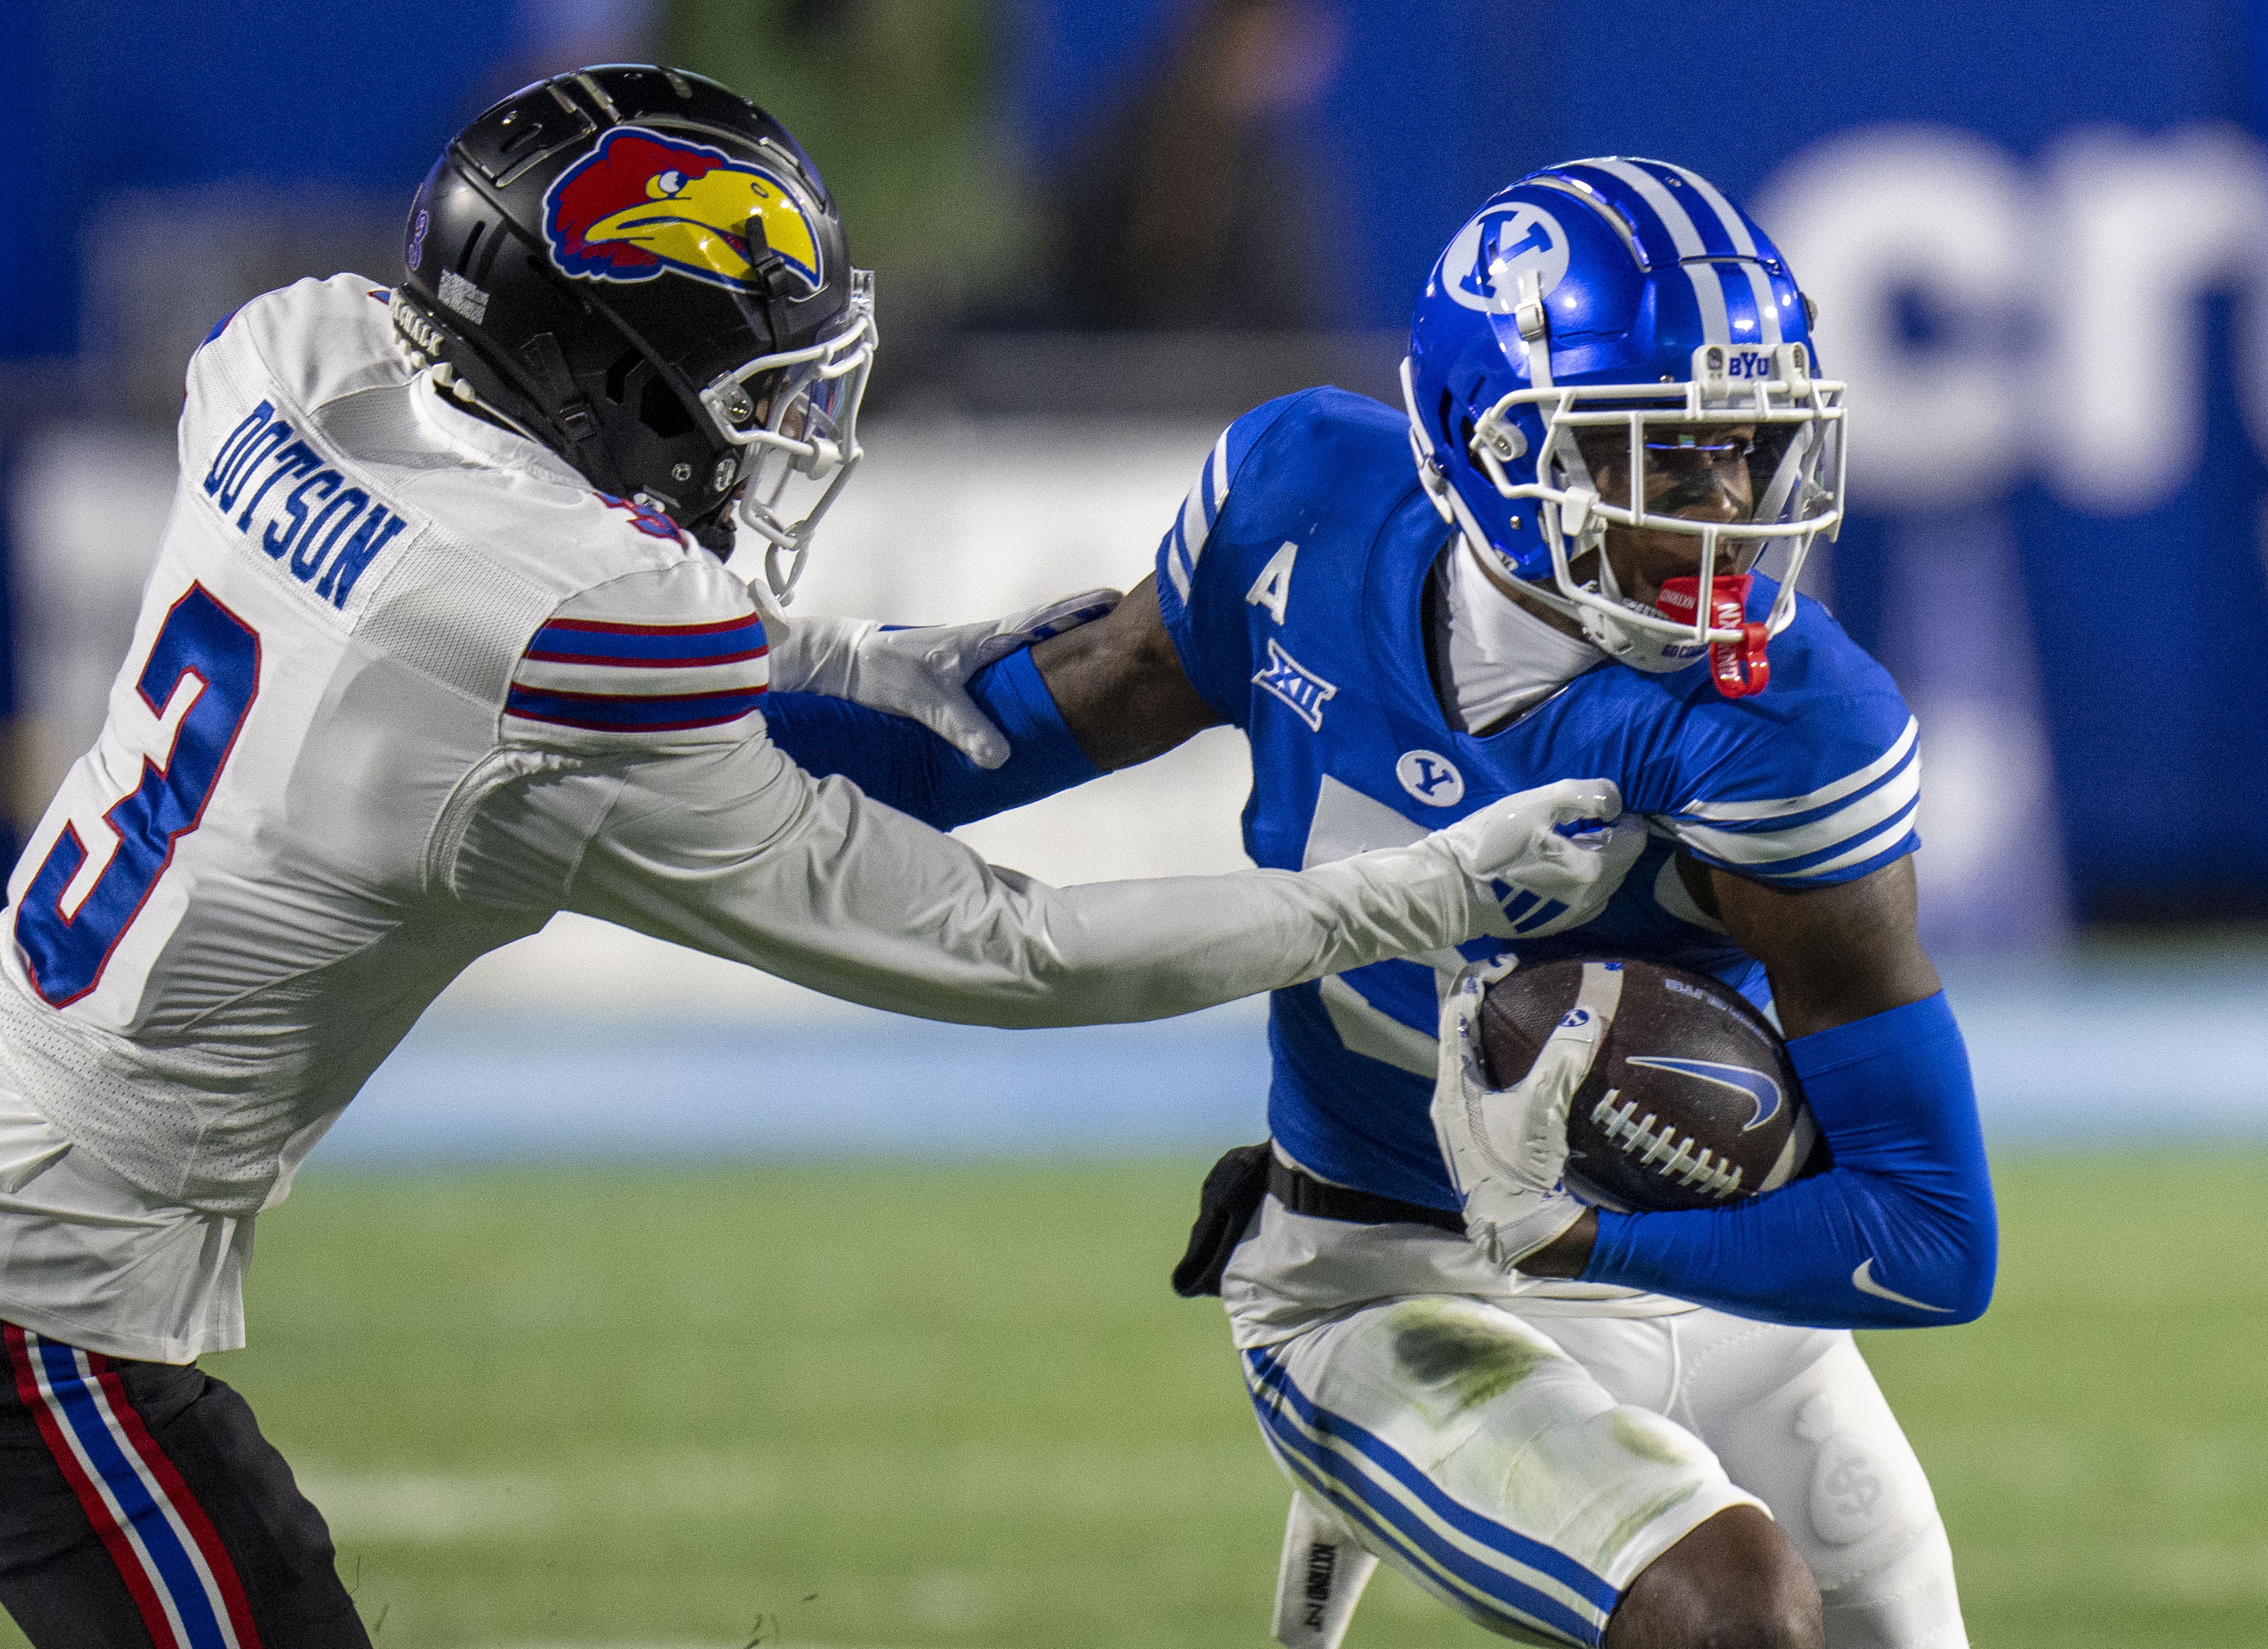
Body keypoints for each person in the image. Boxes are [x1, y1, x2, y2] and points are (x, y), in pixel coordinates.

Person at [0, 72, 1649, 1648]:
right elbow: (1020, 947)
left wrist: (842, 655)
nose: (781, 434)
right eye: (750, 394)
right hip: (47, 1282)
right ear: (615, 373)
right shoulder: (564, 636)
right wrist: (1413, 890)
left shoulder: (295, 361)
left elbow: (478, 550)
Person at [772, 158, 1997, 1648]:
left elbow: (1932, 1232)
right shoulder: (1301, 509)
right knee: (1728, 1617)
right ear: (1492, 451)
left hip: (1688, 1268)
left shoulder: (1787, 722)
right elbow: (993, 726)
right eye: (1665, 457)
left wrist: (1585, 1246)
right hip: (1371, 1274)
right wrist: (655, 739)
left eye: (1748, 449)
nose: (1727, 509)